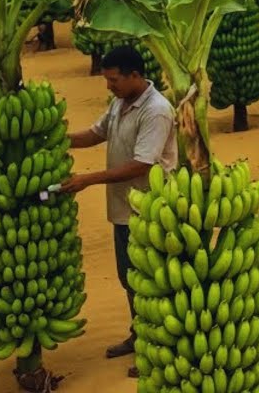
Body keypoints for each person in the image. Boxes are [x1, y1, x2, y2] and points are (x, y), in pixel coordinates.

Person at [62, 45, 177, 378]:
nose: (109, 86)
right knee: (130, 279)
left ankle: (158, 350)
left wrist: (88, 179)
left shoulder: (156, 110)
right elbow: (97, 133)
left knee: (153, 281)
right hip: (124, 209)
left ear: (135, 76)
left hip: (151, 210)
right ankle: (139, 334)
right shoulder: (120, 102)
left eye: (113, 80)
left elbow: (142, 163)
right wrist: (57, 137)